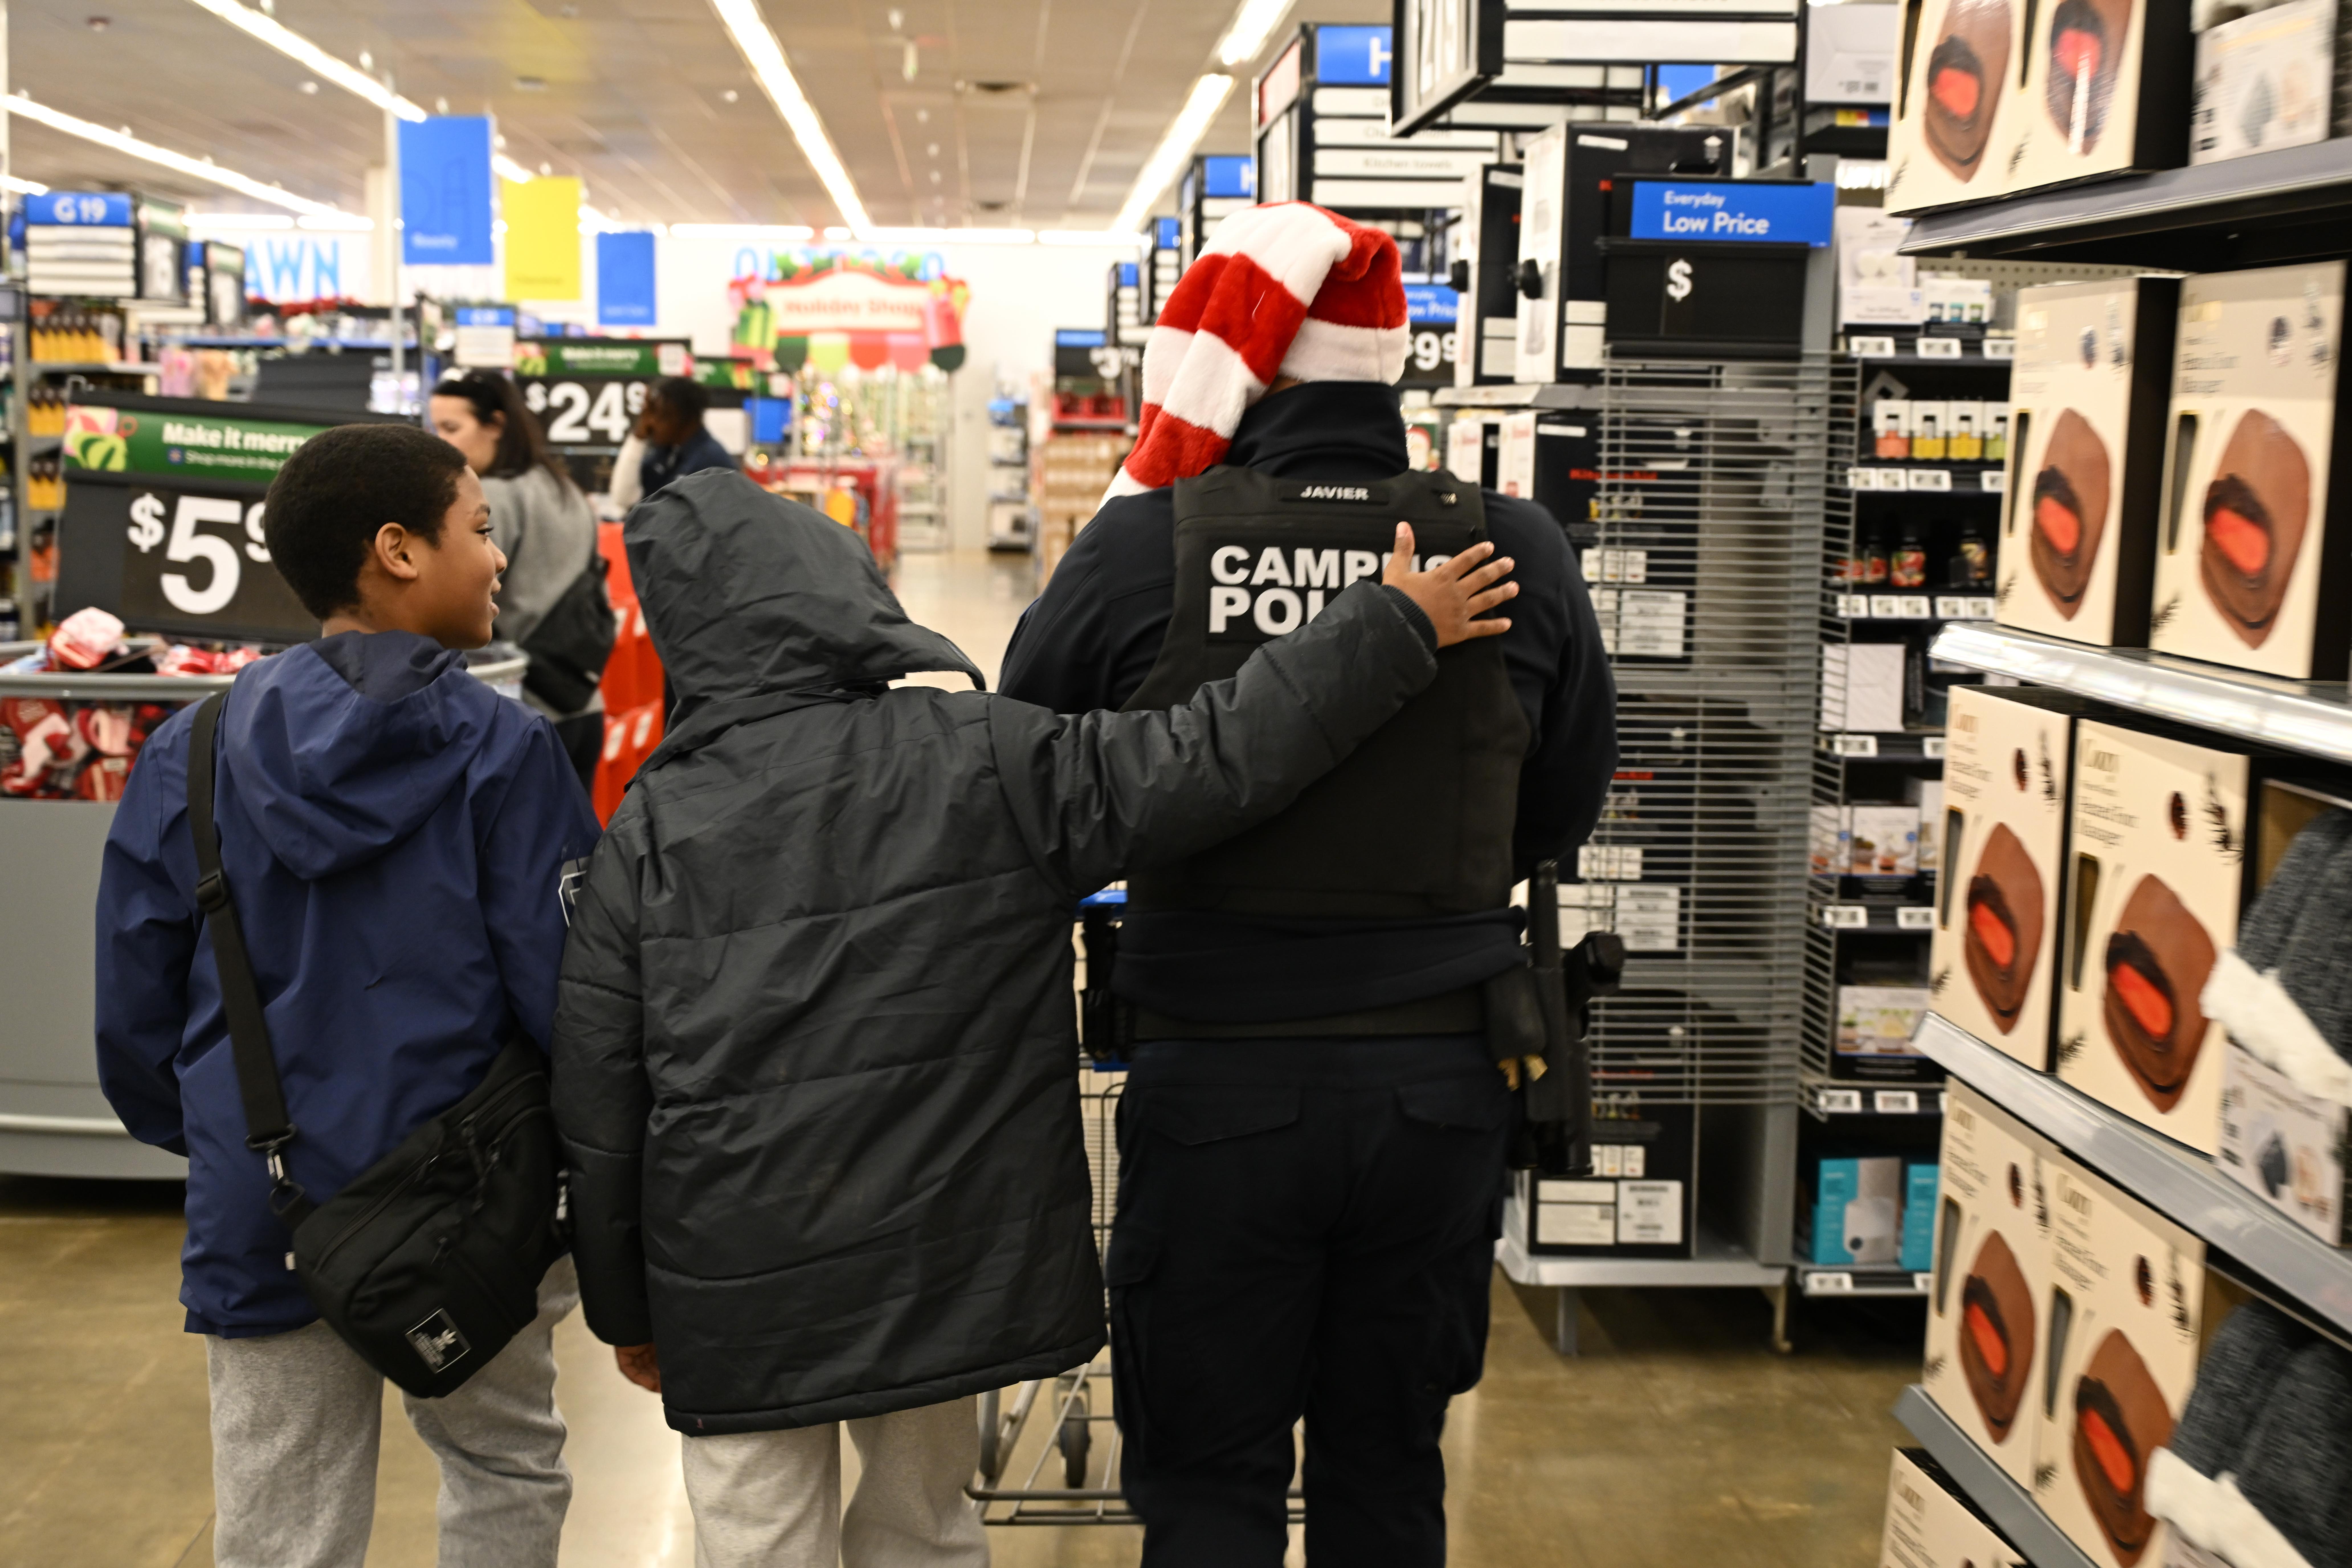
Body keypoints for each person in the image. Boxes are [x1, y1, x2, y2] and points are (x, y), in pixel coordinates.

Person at [550, 467, 1516, 1568]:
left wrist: (626, 1304)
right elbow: (1210, 755)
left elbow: (599, 1092)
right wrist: (1386, 626)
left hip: (734, 1271)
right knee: (925, 1523)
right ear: (838, 589)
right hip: (941, 1246)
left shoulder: (650, 829)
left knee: (760, 1536)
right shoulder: (986, 756)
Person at [998, 201, 1620, 1567]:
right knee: (1386, 1469)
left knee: (1208, 1483)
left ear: (1239, 368)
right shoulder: (1514, 548)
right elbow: (1562, 804)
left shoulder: (1140, 548)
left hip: (1212, 1083)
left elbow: (1026, 776)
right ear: (1388, 371)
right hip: (1438, 1086)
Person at [95, 424, 602, 1568]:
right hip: (473, 1205)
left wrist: (226, 1134)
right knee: (506, 1467)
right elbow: (568, 997)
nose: (498, 556)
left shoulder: (192, 748)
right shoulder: (506, 750)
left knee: (281, 1520)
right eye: (478, 528)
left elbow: (135, 1012)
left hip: (267, 1206)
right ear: (398, 551)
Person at [430, 369, 613, 787]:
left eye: (451, 428)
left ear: (496, 425)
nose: (440, 441)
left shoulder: (491, 498)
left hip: (520, 707)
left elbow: (463, 597)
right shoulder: (564, 487)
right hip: (581, 702)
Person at [613, 375, 736, 505]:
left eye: (661, 416)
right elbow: (625, 500)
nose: (652, 423)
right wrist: (639, 437)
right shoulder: (667, 453)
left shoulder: (712, 461)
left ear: (683, 417)